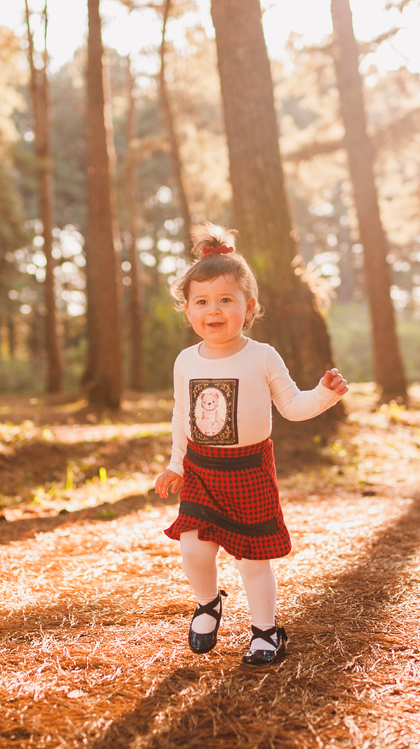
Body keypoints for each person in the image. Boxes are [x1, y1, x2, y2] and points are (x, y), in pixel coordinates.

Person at [154, 222, 348, 665]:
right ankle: (207, 604)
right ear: (187, 309)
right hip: (202, 469)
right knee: (192, 547)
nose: (214, 310)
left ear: (249, 305)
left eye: (226, 299)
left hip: (248, 471)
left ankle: (266, 632)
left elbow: (294, 406)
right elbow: (182, 416)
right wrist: (176, 464)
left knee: (252, 559)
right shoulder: (186, 361)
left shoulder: (262, 355)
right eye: (201, 301)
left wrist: (325, 394)